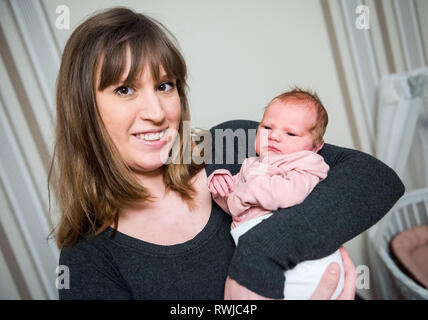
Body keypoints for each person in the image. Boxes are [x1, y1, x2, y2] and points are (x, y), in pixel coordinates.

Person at [49, 7, 404, 300]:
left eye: (164, 85)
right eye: (124, 89)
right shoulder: (88, 261)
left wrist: (259, 257)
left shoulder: (226, 145)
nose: (156, 111)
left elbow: (375, 178)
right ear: (83, 111)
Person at [208, 89, 344, 299]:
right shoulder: (252, 164)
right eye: (266, 127)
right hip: (261, 254)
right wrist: (221, 184)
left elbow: (288, 195)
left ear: (315, 146)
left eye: (290, 133)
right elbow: (233, 206)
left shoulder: (307, 163)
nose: (274, 136)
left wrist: (241, 194)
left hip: (304, 260)